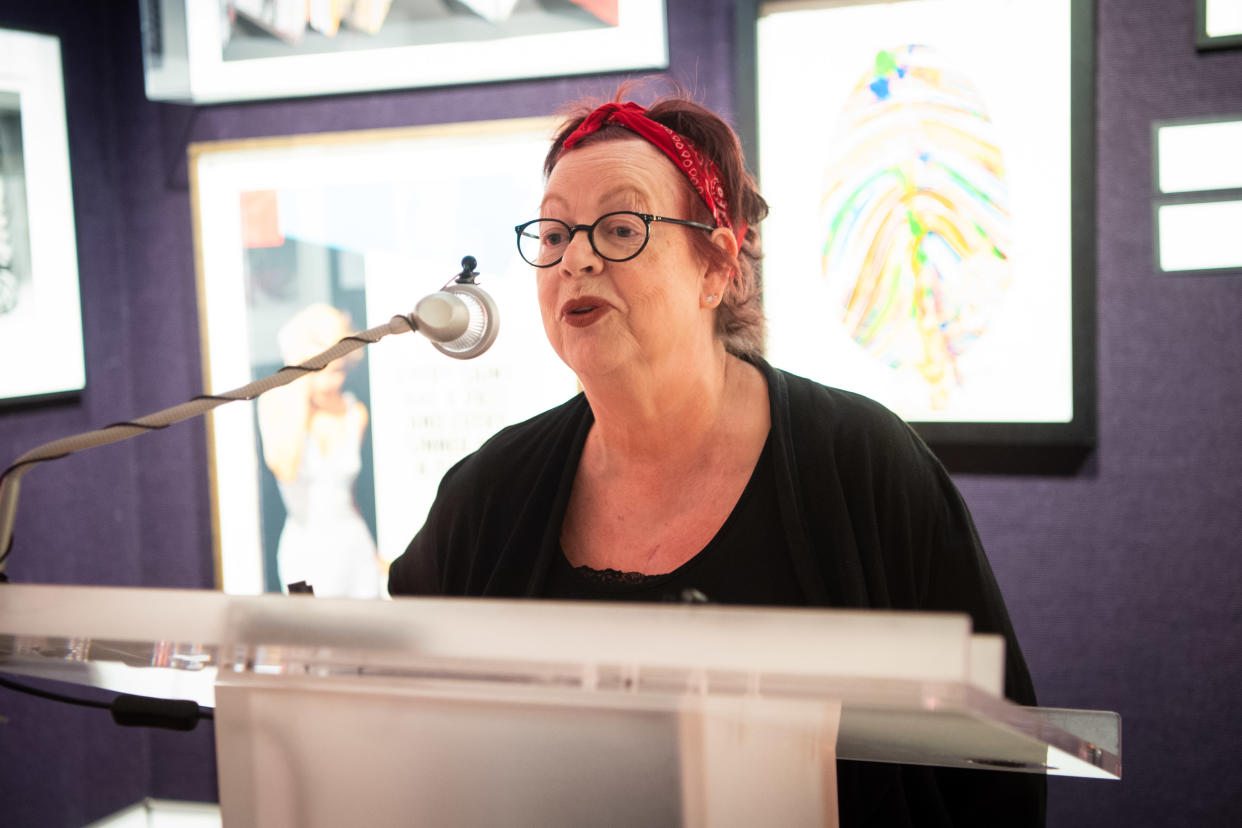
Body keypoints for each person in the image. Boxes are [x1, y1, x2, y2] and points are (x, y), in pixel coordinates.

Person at [388, 92, 1046, 826]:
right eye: (552, 233)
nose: (575, 258)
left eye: (619, 228)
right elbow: (404, 728)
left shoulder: (863, 463)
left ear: (717, 267)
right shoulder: (490, 491)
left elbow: (1000, 763)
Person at [257, 302, 384, 598]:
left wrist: (374, 553)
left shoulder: (355, 412)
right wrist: (299, 384)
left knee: (364, 637)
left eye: (339, 370)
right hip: (304, 551)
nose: (332, 381)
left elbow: (350, 495)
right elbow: (285, 468)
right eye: (322, 370)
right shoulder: (277, 405)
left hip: (355, 548)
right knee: (307, 638)